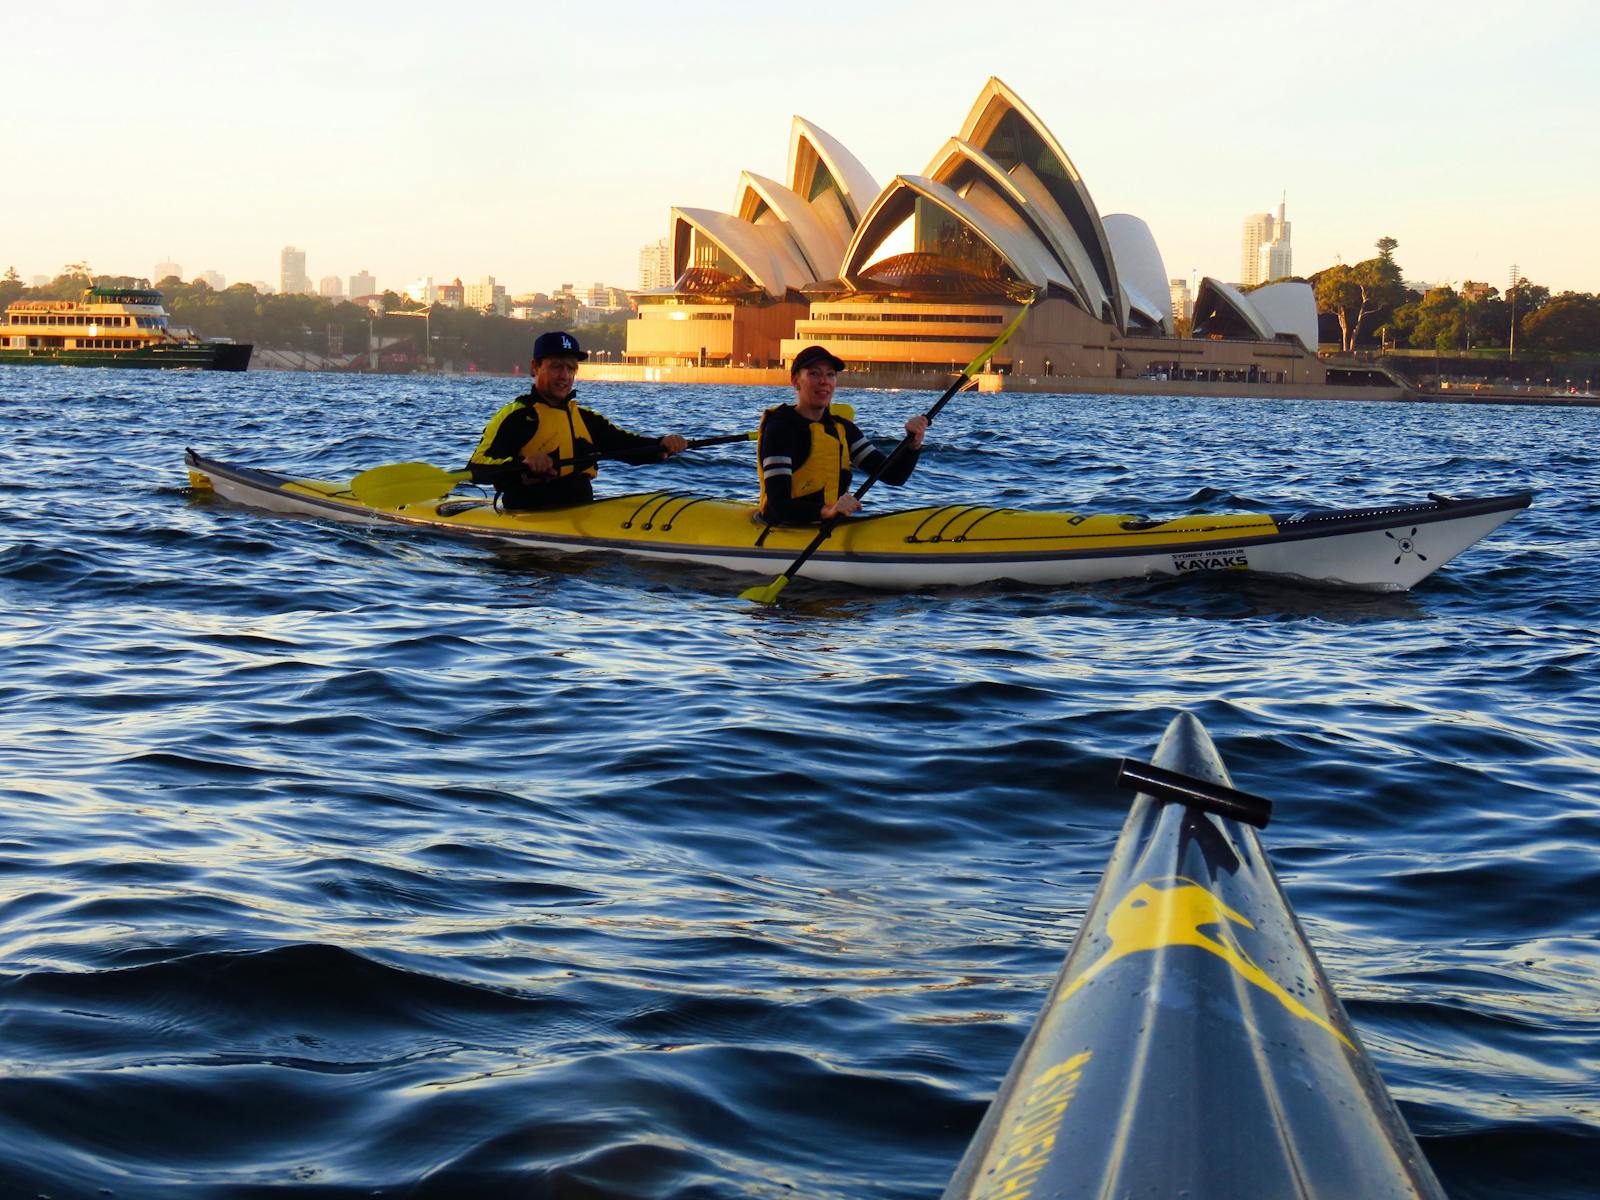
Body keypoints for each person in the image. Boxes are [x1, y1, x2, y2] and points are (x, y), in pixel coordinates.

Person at [469, 331, 687, 510]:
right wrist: (522, 465)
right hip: (528, 515)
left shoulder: (586, 418)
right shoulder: (516, 416)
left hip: (580, 510)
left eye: (571, 368)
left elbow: (629, 446)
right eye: (556, 366)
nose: (564, 375)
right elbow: (476, 467)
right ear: (535, 367)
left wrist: (663, 444)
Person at [756, 345, 928, 525]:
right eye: (814, 374)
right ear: (795, 381)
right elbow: (778, 506)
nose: (824, 381)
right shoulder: (780, 428)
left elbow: (894, 476)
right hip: (783, 526)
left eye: (830, 375)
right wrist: (828, 510)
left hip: (827, 526)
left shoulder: (843, 429)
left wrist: (913, 445)